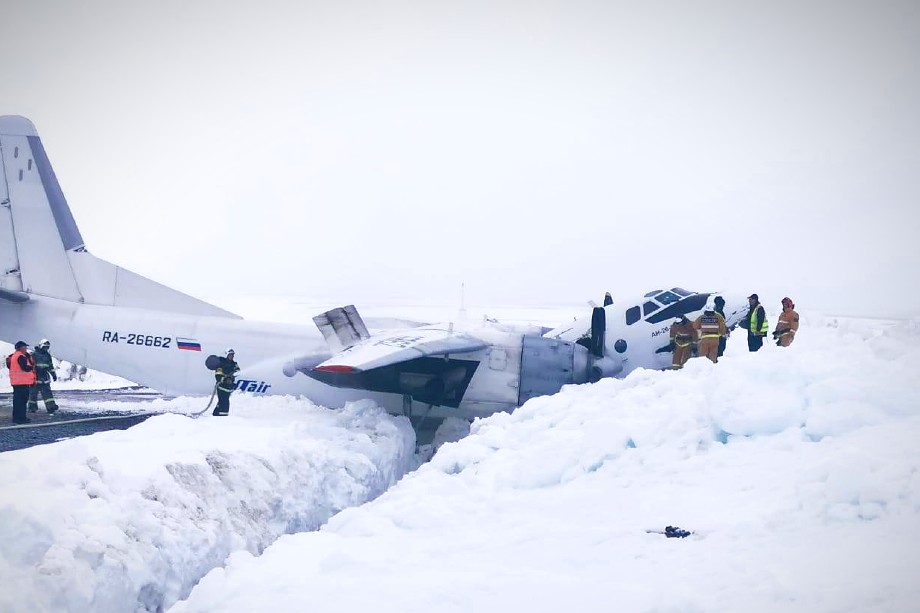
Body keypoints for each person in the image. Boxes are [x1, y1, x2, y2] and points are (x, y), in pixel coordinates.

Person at [5, 341, 36, 424]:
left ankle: (18, 418)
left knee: (18, 402)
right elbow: (25, 368)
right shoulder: (20, 356)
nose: (26, 349)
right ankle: (21, 419)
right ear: (20, 348)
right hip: (22, 383)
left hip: (17, 383)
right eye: (25, 347)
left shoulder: (14, 356)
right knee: (22, 402)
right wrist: (31, 366)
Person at [28, 339, 59, 414]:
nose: (46, 349)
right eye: (45, 347)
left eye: (47, 347)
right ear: (41, 346)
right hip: (35, 378)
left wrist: (54, 375)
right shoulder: (33, 355)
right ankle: (32, 408)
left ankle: (51, 407)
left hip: (44, 378)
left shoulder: (47, 355)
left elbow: (50, 366)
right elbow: (29, 366)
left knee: (48, 394)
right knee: (33, 394)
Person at [213, 348, 240, 416]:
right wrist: (225, 379)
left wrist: (233, 374)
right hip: (221, 386)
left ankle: (216, 413)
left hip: (228, 387)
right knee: (224, 402)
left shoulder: (234, 364)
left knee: (222, 401)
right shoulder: (221, 364)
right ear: (226, 355)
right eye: (230, 355)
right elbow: (218, 375)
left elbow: (238, 371)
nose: (232, 356)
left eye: (232, 355)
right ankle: (223, 417)